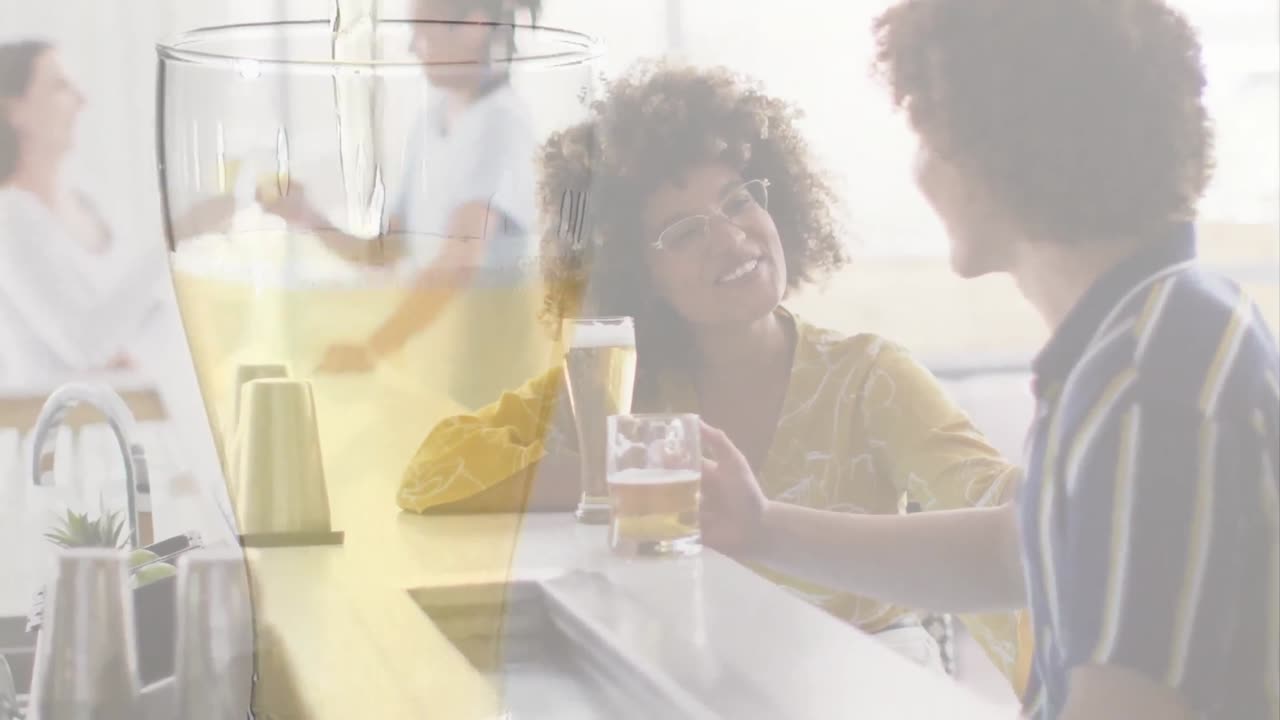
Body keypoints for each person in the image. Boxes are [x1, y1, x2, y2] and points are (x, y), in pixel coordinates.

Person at [698, 1, 1279, 718]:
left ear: (1002, 148)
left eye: (925, 134)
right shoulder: (1161, 328)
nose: (918, 174)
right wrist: (762, 527)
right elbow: (1019, 553)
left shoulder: (1146, 388)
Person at [396, 61, 1032, 683]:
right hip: (691, 683)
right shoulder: (621, 384)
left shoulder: (870, 378)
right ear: (635, 276)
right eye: (683, 233)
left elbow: (1025, 529)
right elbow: (433, 473)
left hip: (859, 685)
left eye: (738, 201)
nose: (730, 240)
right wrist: (620, 474)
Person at [260, 0, 542, 411]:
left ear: (476, 26)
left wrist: (373, 348)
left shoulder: (501, 124)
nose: (414, 48)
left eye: (423, 33)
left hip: (492, 378)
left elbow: (458, 262)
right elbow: (384, 253)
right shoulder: (428, 126)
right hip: (437, 375)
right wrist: (307, 216)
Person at [0, 39, 232, 385]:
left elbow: (149, 321)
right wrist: (175, 236)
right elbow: (85, 344)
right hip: (60, 433)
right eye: (60, 87)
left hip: (130, 420)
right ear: (12, 110)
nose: (81, 101)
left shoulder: (90, 203)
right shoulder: (12, 219)